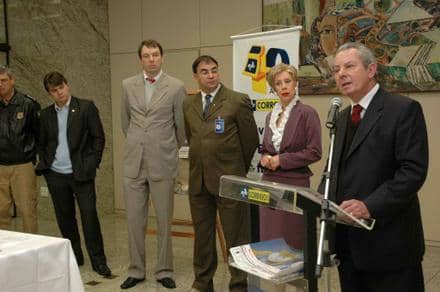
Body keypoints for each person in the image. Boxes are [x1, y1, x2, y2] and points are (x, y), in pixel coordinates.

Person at [323, 42, 428, 292]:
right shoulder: (341, 117)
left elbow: (412, 172)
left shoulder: (403, 109)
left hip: (390, 244)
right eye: (336, 69)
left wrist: (369, 205)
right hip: (348, 245)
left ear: (371, 70)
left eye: (349, 66)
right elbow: (334, 170)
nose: (341, 74)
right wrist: (321, 199)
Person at [183, 55, 259, 292]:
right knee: (203, 238)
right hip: (199, 182)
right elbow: (192, 138)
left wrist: (235, 170)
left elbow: (250, 141)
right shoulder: (189, 104)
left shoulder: (236, 101)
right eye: (204, 72)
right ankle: (203, 282)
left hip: (230, 181)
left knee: (236, 238)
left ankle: (239, 285)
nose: (211, 75)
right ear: (196, 76)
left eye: (214, 70)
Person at [120, 39, 186, 290]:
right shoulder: (127, 85)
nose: (151, 59)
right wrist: (141, 143)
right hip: (133, 163)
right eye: (146, 55)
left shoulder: (176, 87)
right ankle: (136, 270)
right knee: (134, 221)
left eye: (155, 55)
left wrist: (164, 147)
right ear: (140, 59)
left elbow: (181, 128)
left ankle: (164, 270)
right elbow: (125, 123)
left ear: (162, 57)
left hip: (163, 162)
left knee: (163, 220)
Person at [36, 71, 111, 277]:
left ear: (67, 85)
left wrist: (91, 164)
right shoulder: (45, 115)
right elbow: (41, 144)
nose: (59, 93)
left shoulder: (86, 107)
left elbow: (99, 138)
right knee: (65, 219)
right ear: (49, 93)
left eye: (61, 87)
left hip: (81, 173)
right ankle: (75, 257)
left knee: (89, 217)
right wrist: (47, 168)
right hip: (56, 175)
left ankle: (98, 261)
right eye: (54, 90)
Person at [259, 63, 322, 250]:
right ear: (274, 88)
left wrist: (281, 160)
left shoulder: (307, 113)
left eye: (288, 81)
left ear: (295, 84)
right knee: (270, 239)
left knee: (292, 239)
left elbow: (315, 151)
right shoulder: (270, 115)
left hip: (294, 183)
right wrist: (265, 158)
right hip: (269, 181)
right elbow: (266, 147)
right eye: (278, 83)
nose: (284, 87)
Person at [0, 65, 40, 233]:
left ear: (12, 80)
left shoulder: (28, 104)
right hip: (0, 166)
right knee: (1, 212)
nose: (0, 85)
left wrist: (36, 161)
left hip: (22, 166)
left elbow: (40, 135)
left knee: (27, 211)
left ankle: (32, 252)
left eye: (3, 81)